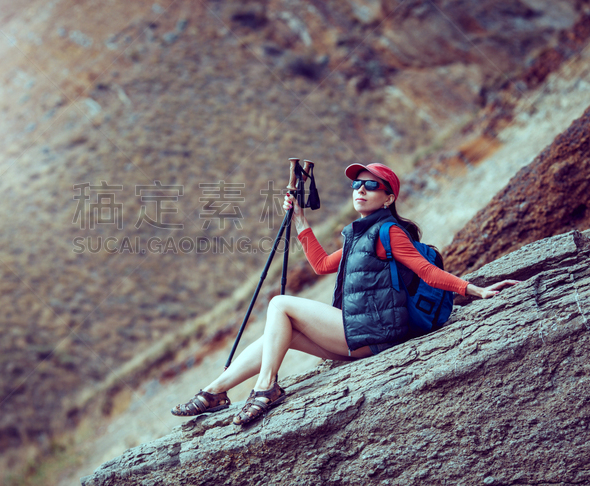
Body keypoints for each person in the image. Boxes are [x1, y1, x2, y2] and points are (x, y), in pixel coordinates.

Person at [171, 162, 519, 426]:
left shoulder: (390, 232)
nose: (361, 190)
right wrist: (300, 220)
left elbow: (426, 270)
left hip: (375, 333)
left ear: (389, 196)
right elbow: (322, 264)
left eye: (372, 185)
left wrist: (474, 290)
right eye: (357, 184)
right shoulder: (357, 235)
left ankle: (266, 387)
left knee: (280, 304)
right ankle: (214, 392)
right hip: (360, 335)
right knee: (280, 333)